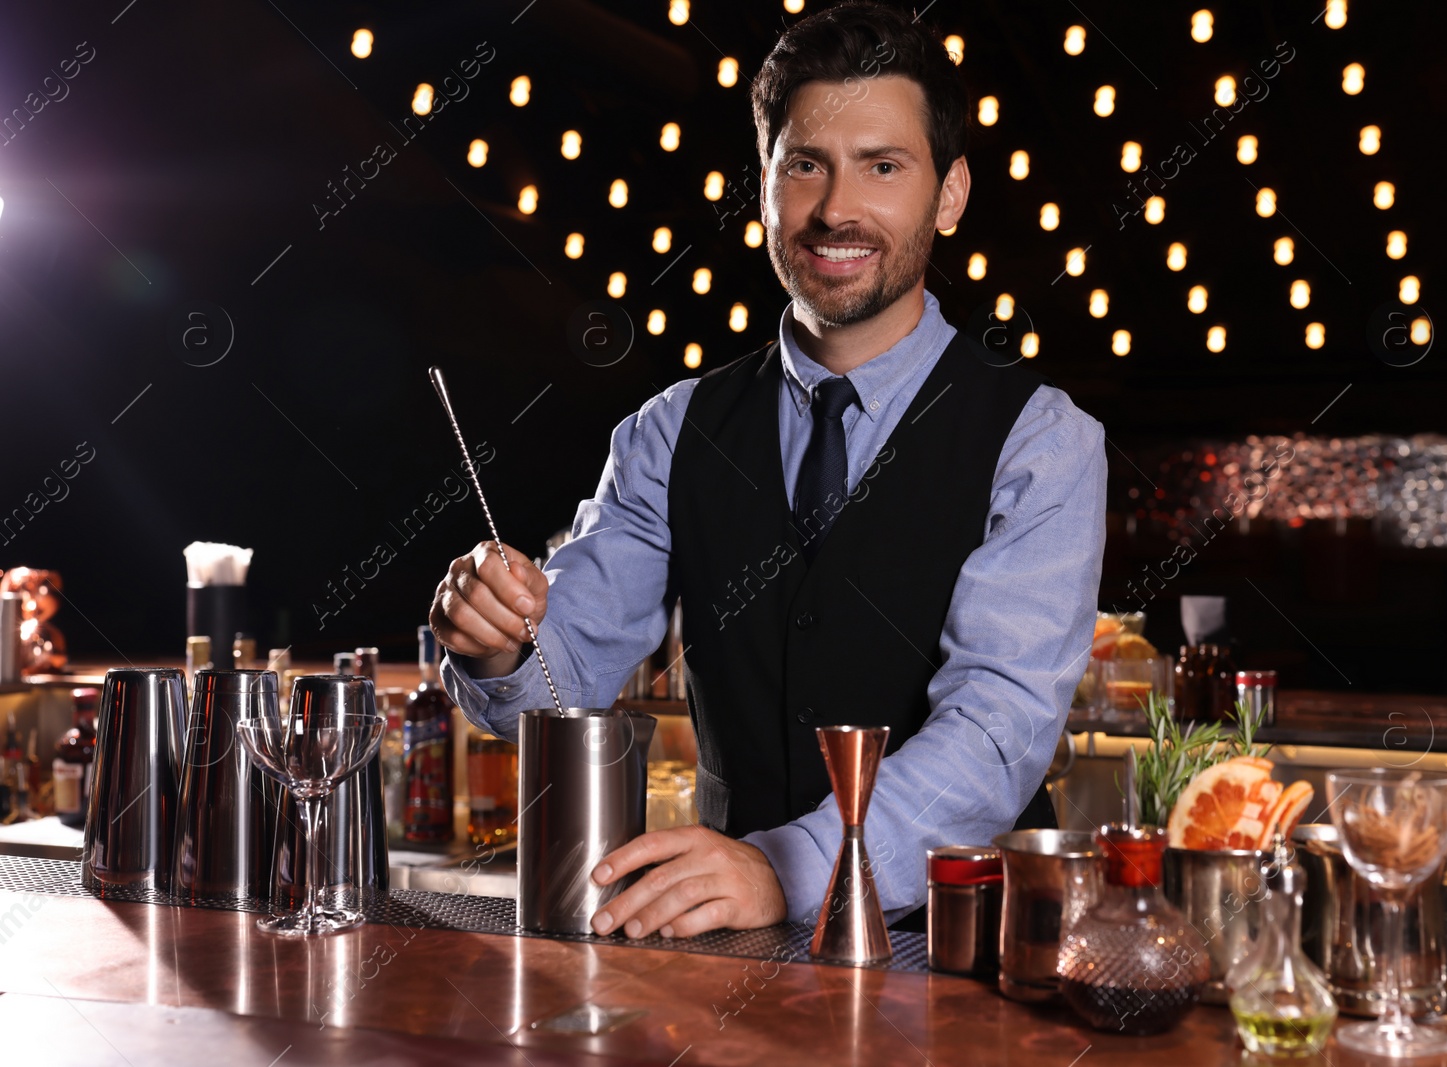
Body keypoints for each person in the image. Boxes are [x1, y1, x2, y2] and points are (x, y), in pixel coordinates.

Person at [429, 0, 1106, 940]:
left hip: (963, 957)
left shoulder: (1042, 440)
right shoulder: (671, 431)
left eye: (883, 166)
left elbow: (997, 736)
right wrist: (498, 638)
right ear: (764, 185)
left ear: (949, 195)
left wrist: (790, 866)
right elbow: (561, 676)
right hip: (728, 962)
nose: (837, 210)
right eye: (806, 166)